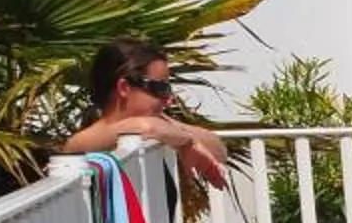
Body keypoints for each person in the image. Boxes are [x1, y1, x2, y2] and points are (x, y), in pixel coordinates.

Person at [59, 39, 231, 186]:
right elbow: (145, 127)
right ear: (124, 88)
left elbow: (218, 149)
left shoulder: (162, 127)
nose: (169, 99)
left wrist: (186, 138)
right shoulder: (86, 141)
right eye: (161, 87)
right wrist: (188, 141)